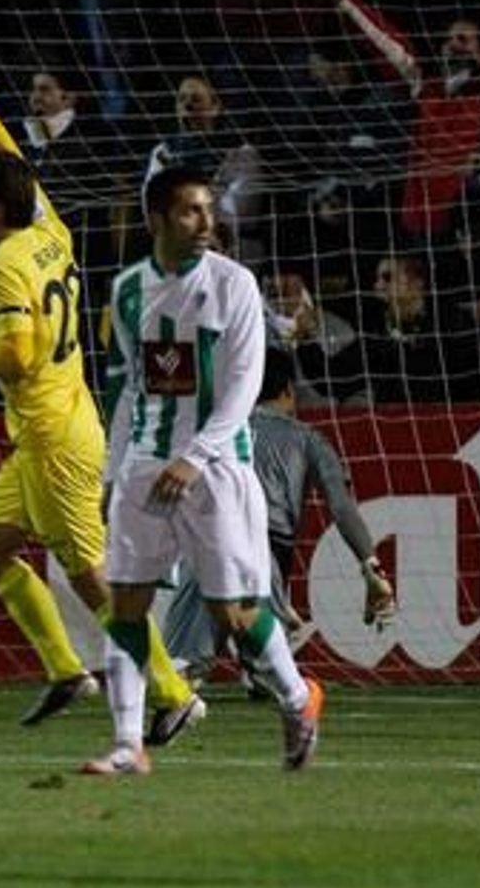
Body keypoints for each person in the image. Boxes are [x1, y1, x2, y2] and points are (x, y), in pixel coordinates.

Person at [0, 43, 203, 741]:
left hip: (54, 436)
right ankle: (64, 671)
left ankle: (173, 693)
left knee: (90, 578)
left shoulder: (0, 265)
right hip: (54, 427)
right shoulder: (47, 226)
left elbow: (18, 355)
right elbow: (12, 159)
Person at [87, 167, 325, 776]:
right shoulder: (128, 290)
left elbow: (245, 386)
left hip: (219, 468)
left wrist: (193, 458)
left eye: (208, 210)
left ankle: (298, 699)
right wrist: (113, 473)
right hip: (145, 467)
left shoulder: (234, 284)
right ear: (156, 220)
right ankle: (127, 744)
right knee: (126, 603)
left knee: (233, 614)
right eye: (190, 211)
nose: (205, 222)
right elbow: (128, 391)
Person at [162, 347, 398, 682]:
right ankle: (265, 644)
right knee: (272, 676)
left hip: (205, 548)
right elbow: (341, 506)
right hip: (263, 555)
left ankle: (231, 647)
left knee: (178, 668)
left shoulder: (213, 431)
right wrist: (371, 567)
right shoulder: (308, 438)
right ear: (289, 390)